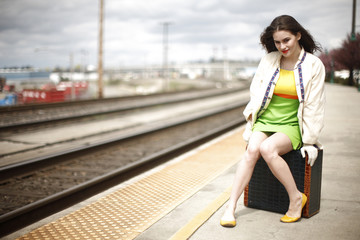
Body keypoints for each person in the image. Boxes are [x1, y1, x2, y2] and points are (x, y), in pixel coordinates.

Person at [220, 15, 325, 227]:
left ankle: (296, 198)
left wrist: (310, 139)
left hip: (292, 124)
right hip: (266, 120)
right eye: (277, 42)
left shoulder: (314, 65)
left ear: (298, 35)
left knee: (268, 149)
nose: (282, 46)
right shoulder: (269, 60)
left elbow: (314, 105)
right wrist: (251, 118)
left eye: (286, 40)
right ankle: (230, 206)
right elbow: (256, 92)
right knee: (251, 150)